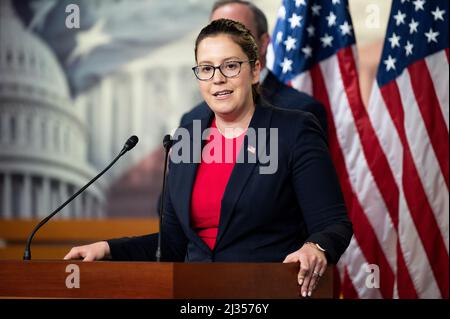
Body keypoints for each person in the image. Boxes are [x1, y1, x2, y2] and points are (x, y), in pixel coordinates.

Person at [65, 19, 353, 298]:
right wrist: (107, 249)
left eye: (230, 66)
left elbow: (334, 223)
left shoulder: (293, 131)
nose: (217, 78)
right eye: (206, 68)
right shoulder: (187, 139)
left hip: (267, 293)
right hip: (196, 296)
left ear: (254, 71)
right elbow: (174, 246)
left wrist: (316, 247)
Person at [181, 0, 328, 135]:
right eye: (216, 31)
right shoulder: (191, 120)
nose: (225, 41)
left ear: (263, 43)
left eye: (238, 32)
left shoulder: (302, 112)